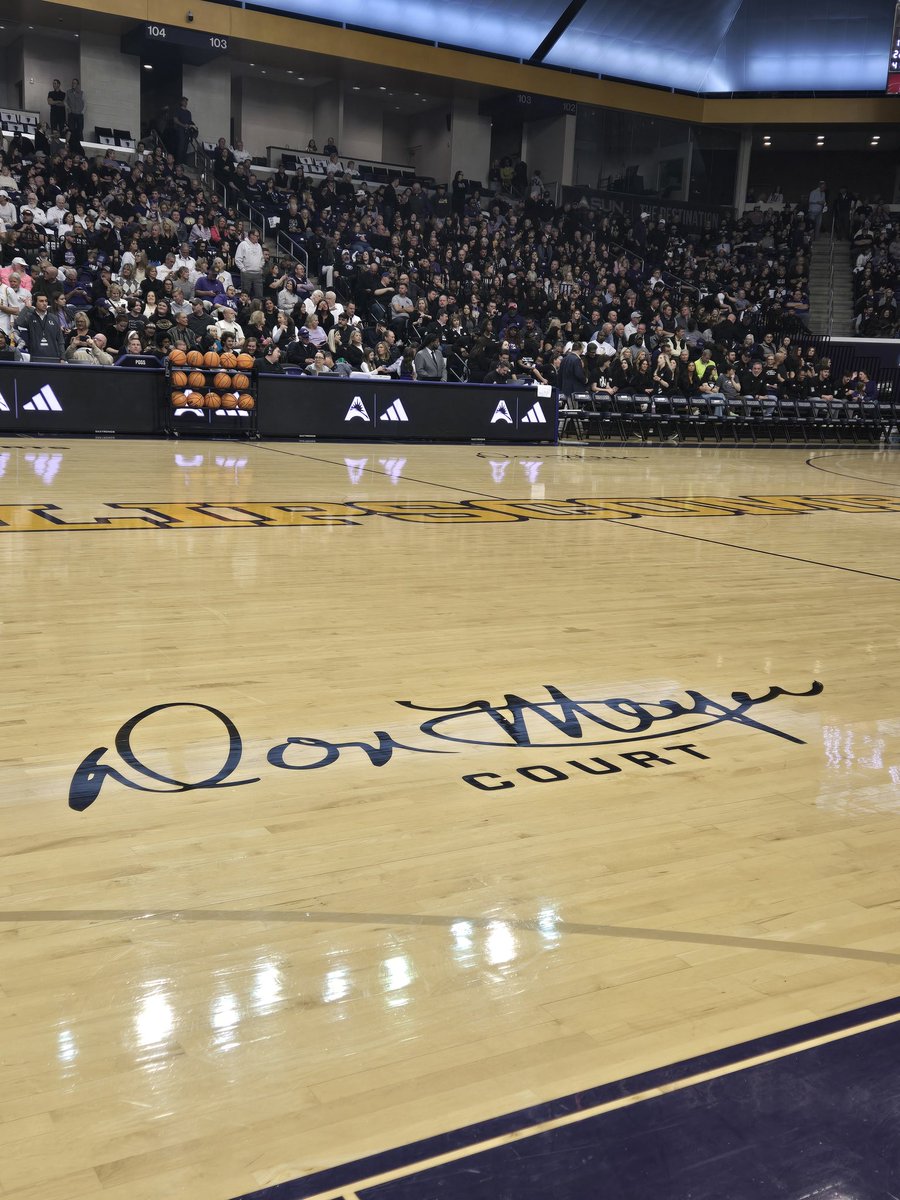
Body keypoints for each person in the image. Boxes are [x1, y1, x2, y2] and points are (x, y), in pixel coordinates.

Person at [16, 292, 65, 361]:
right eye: (41, 301)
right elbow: (19, 322)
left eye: (46, 301)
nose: (44, 303)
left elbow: (60, 339)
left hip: (53, 356)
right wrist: (26, 307)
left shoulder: (54, 318)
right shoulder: (30, 317)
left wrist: (62, 358)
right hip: (35, 357)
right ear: (35, 303)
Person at [235, 229, 264, 299]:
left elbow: (262, 259)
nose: (258, 237)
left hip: (257, 273)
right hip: (246, 273)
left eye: (258, 236)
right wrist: (243, 269)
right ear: (251, 235)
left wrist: (260, 267)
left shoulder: (259, 246)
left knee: (259, 295)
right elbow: (238, 258)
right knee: (245, 294)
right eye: (256, 236)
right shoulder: (243, 244)